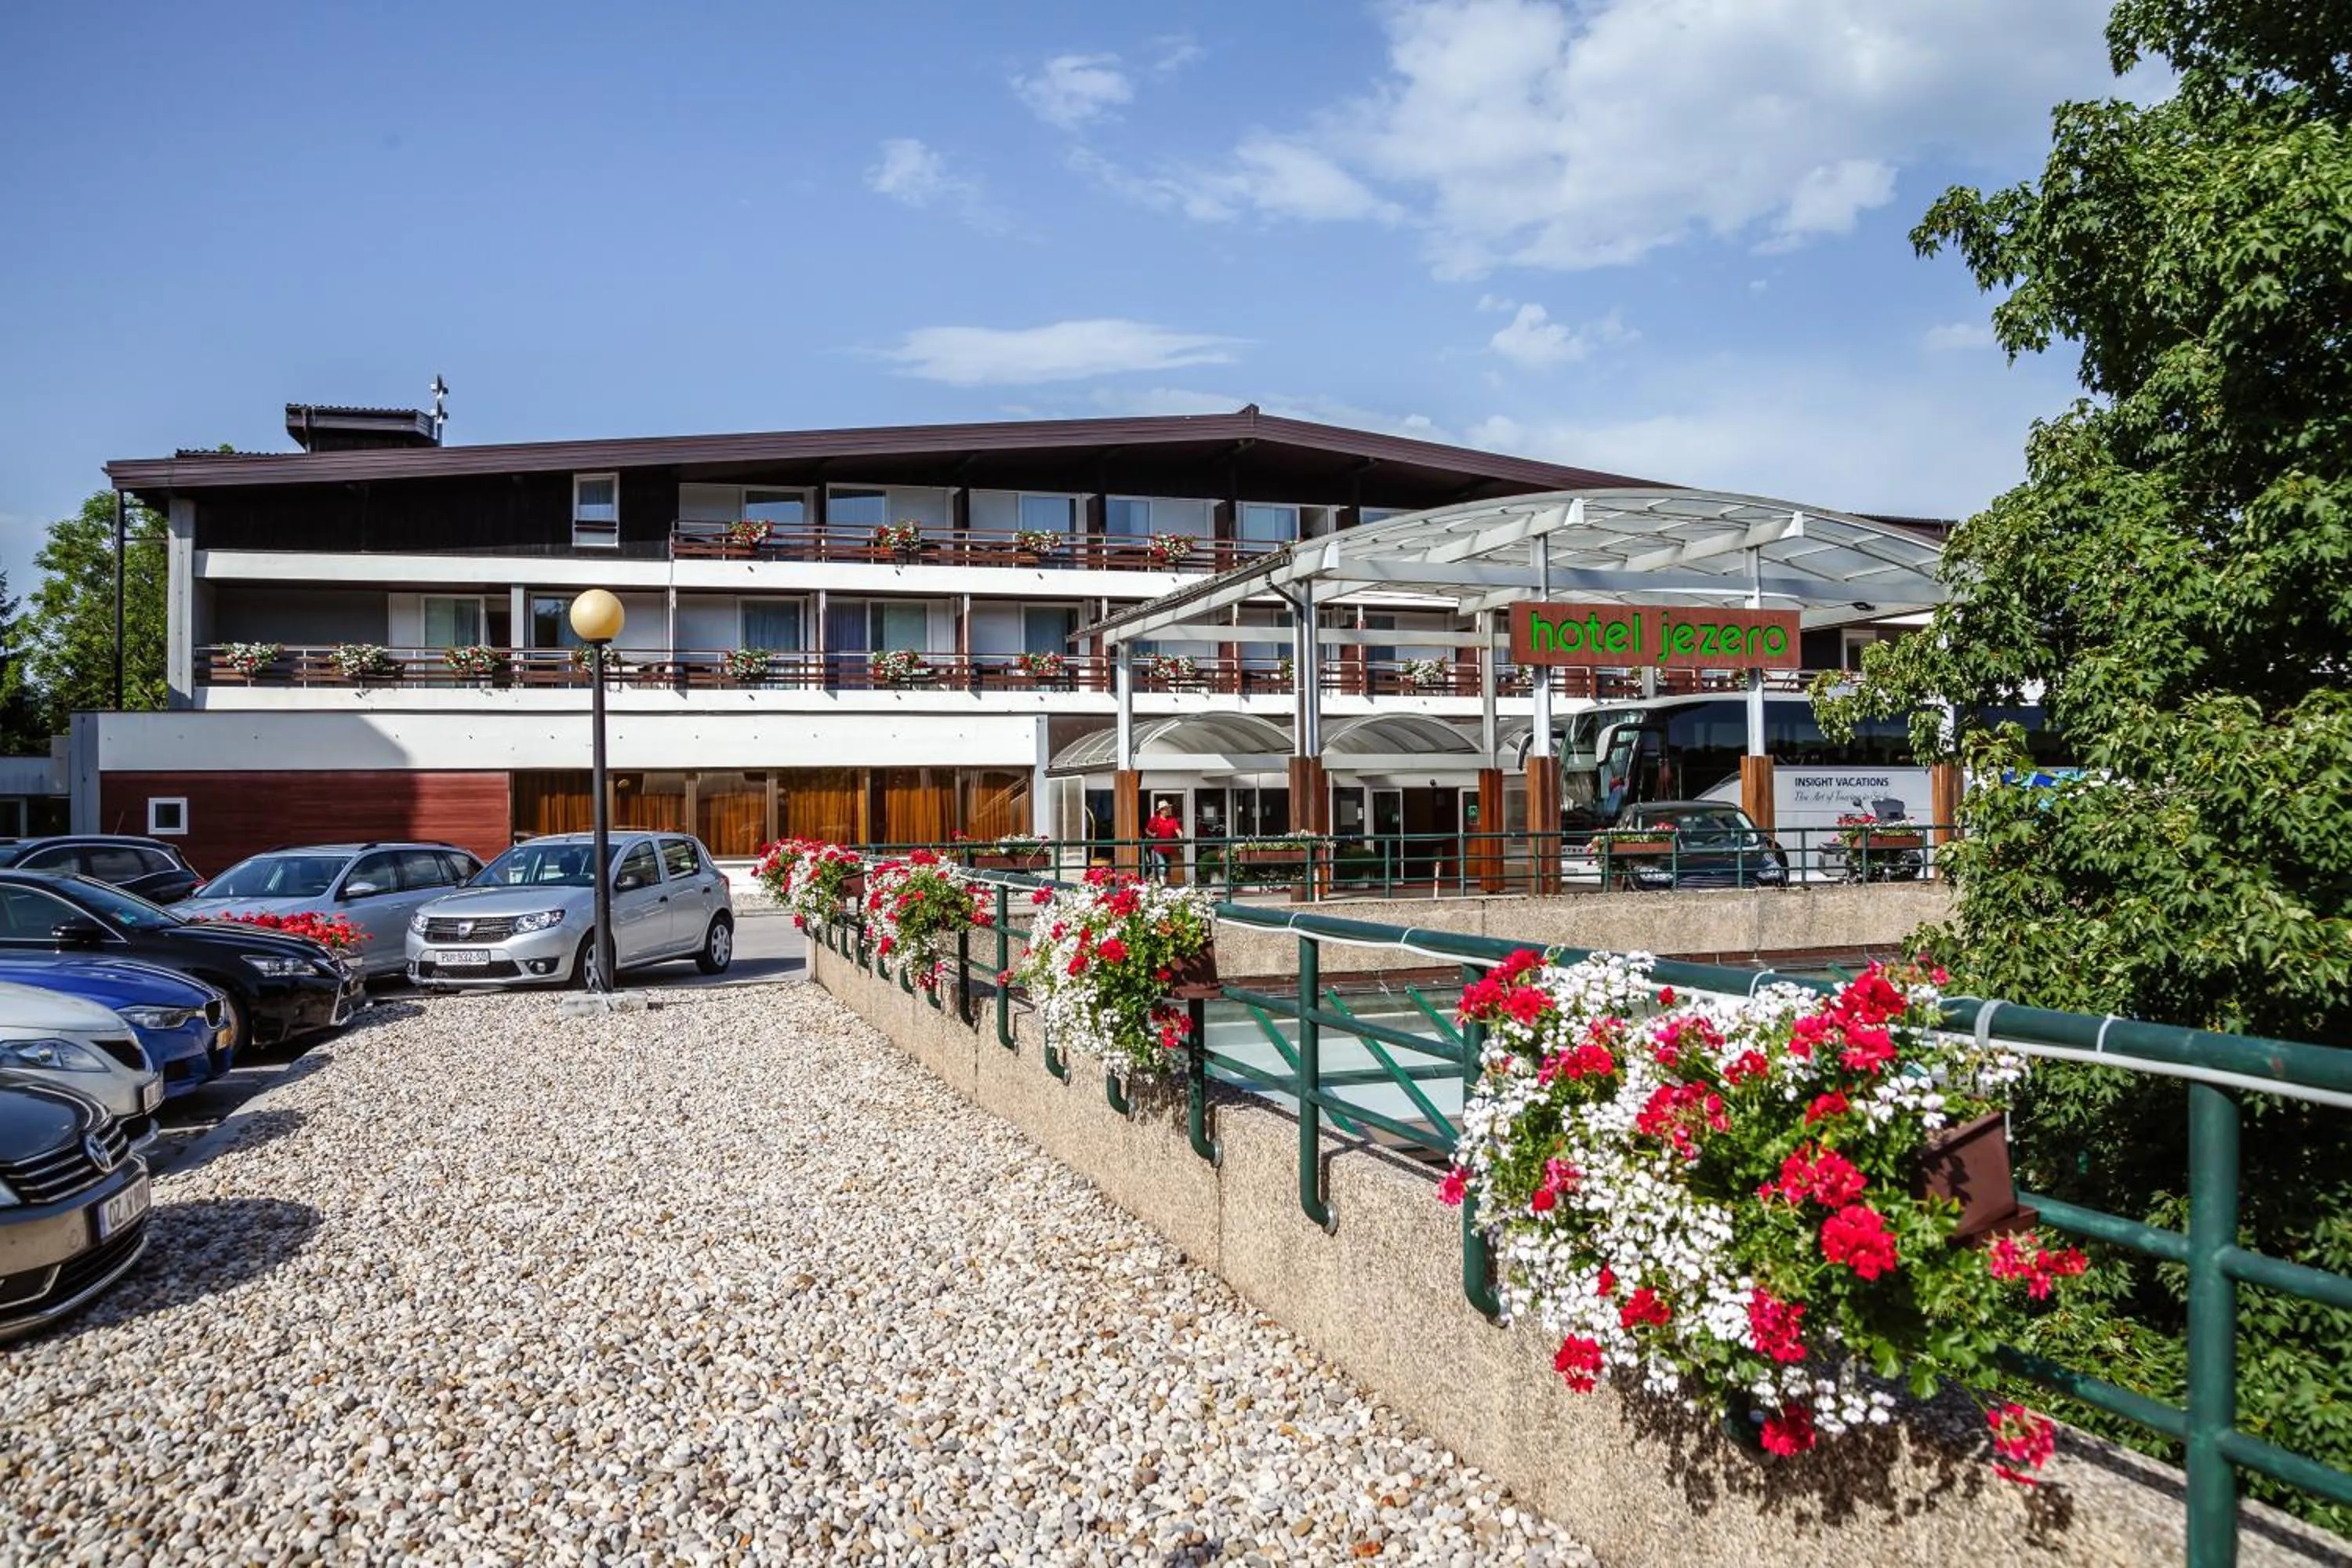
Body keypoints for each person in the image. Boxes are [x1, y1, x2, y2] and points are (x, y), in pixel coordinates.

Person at [1144, 800, 1182, 879]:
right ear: (1161, 810)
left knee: (1167, 866)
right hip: (1158, 847)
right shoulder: (1155, 819)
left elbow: (1178, 830)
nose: (1168, 810)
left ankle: (1165, 883)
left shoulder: (1172, 820)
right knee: (1162, 864)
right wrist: (1152, 834)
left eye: (1168, 808)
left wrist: (1181, 837)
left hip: (1169, 847)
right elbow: (1147, 830)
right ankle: (1162, 884)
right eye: (1166, 809)